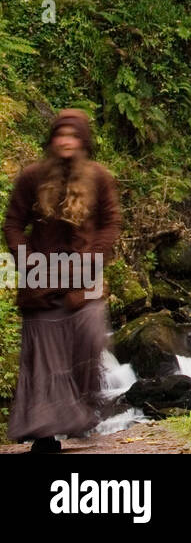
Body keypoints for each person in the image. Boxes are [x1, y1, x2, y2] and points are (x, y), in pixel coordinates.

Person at [3, 109, 122, 452]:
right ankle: (44, 434)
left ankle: (78, 414)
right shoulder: (32, 177)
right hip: (40, 282)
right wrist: (27, 259)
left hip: (84, 282)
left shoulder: (99, 177)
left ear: (82, 141)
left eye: (72, 135)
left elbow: (111, 222)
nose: (66, 141)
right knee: (44, 357)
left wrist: (92, 258)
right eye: (60, 135)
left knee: (89, 339)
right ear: (52, 141)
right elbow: (13, 224)